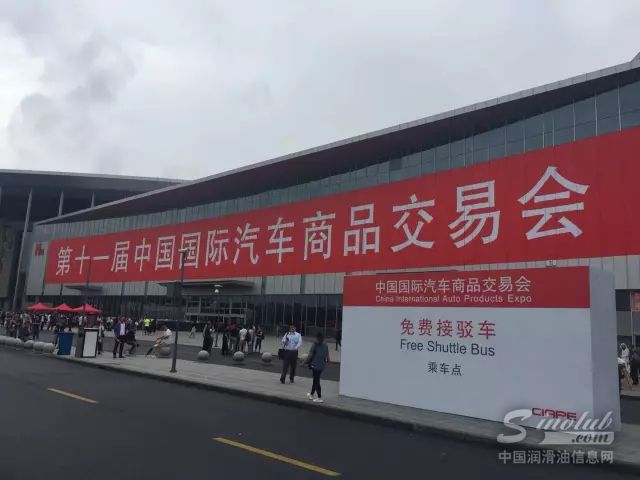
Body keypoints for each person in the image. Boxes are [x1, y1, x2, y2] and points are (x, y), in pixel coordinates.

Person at [306, 332, 331, 403]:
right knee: (315, 380)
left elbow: (310, 355)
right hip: (321, 365)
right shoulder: (326, 345)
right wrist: (328, 364)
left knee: (316, 381)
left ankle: (319, 397)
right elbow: (328, 356)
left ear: (317, 338)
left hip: (315, 365)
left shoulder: (315, 345)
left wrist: (304, 363)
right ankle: (311, 394)